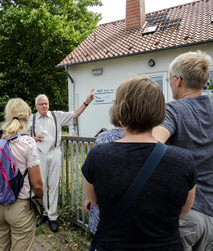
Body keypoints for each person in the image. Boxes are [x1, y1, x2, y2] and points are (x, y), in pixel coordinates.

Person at [82, 75, 196, 250]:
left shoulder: (98, 155)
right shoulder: (184, 160)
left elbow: (94, 201)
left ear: (119, 110)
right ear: (159, 112)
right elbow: (183, 211)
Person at [153, 51, 213, 250]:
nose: (170, 84)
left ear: (178, 80)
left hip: (185, 214)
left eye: (170, 79)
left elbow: (151, 145)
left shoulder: (172, 110)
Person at [28, 90, 94, 232]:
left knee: (54, 184)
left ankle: (53, 216)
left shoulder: (57, 116)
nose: (45, 106)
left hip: (54, 152)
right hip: (39, 154)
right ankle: (44, 213)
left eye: (46, 103)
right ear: (36, 106)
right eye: (41, 104)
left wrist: (86, 102)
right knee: (42, 185)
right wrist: (33, 138)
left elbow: (75, 114)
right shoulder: (31, 119)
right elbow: (24, 137)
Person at [0, 98, 43, 251]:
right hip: (20, 206)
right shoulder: (27, 142)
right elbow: (37, 184)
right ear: (27, 116)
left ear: (8, 115)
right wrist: (42, 199)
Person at [86, 107, 124, 235]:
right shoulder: (136, 137)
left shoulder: (103, 138)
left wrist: (89, 198)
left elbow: (92, 170)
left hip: (104, 199)